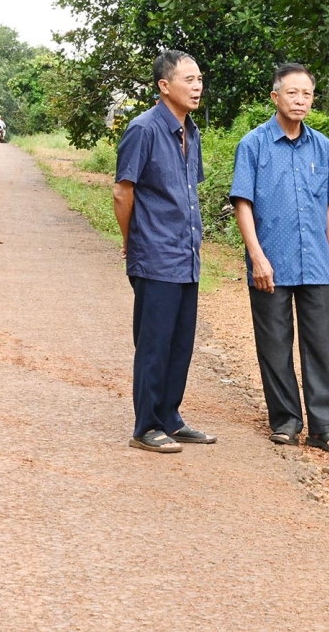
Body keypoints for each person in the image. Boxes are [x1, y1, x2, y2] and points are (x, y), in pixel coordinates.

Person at [230, 63, 329, 454]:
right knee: (275, 345)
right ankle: (285, 421)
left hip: (315, 260)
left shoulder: (322, 146)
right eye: (293, 93)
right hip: (272, 262)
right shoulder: (254, 144)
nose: (300, 100)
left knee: (319, 345)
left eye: (307, 94)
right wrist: (257, 257)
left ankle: (322, 426)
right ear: (275, 97)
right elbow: (243, 204)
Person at [112, 49, 217, 453]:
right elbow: (123, 191)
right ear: (164, 86)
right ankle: (146, 425)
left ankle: (170, 418)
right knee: (154, 343)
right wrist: (131, 240)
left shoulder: (193, 133)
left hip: (186, 255)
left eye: (199, 79)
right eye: (188, 80)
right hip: (154, 254)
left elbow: (188, 192)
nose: (197, 86)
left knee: (180, 343)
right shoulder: (143, 129)